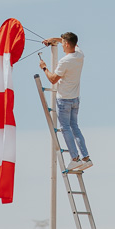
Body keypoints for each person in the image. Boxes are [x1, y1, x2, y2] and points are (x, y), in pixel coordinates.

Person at [38, 33, 91, 172]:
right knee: (75, 127)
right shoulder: (80, 54)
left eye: (62, 43)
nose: (61, 45)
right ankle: (85, 157)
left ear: (67, 44)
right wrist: (52, 40)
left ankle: (75, 159)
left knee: (66, 128)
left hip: (64, 99)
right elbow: (68, 42)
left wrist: (44, 67)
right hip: (75, 98)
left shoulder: (65, 61)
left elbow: (53, 79)